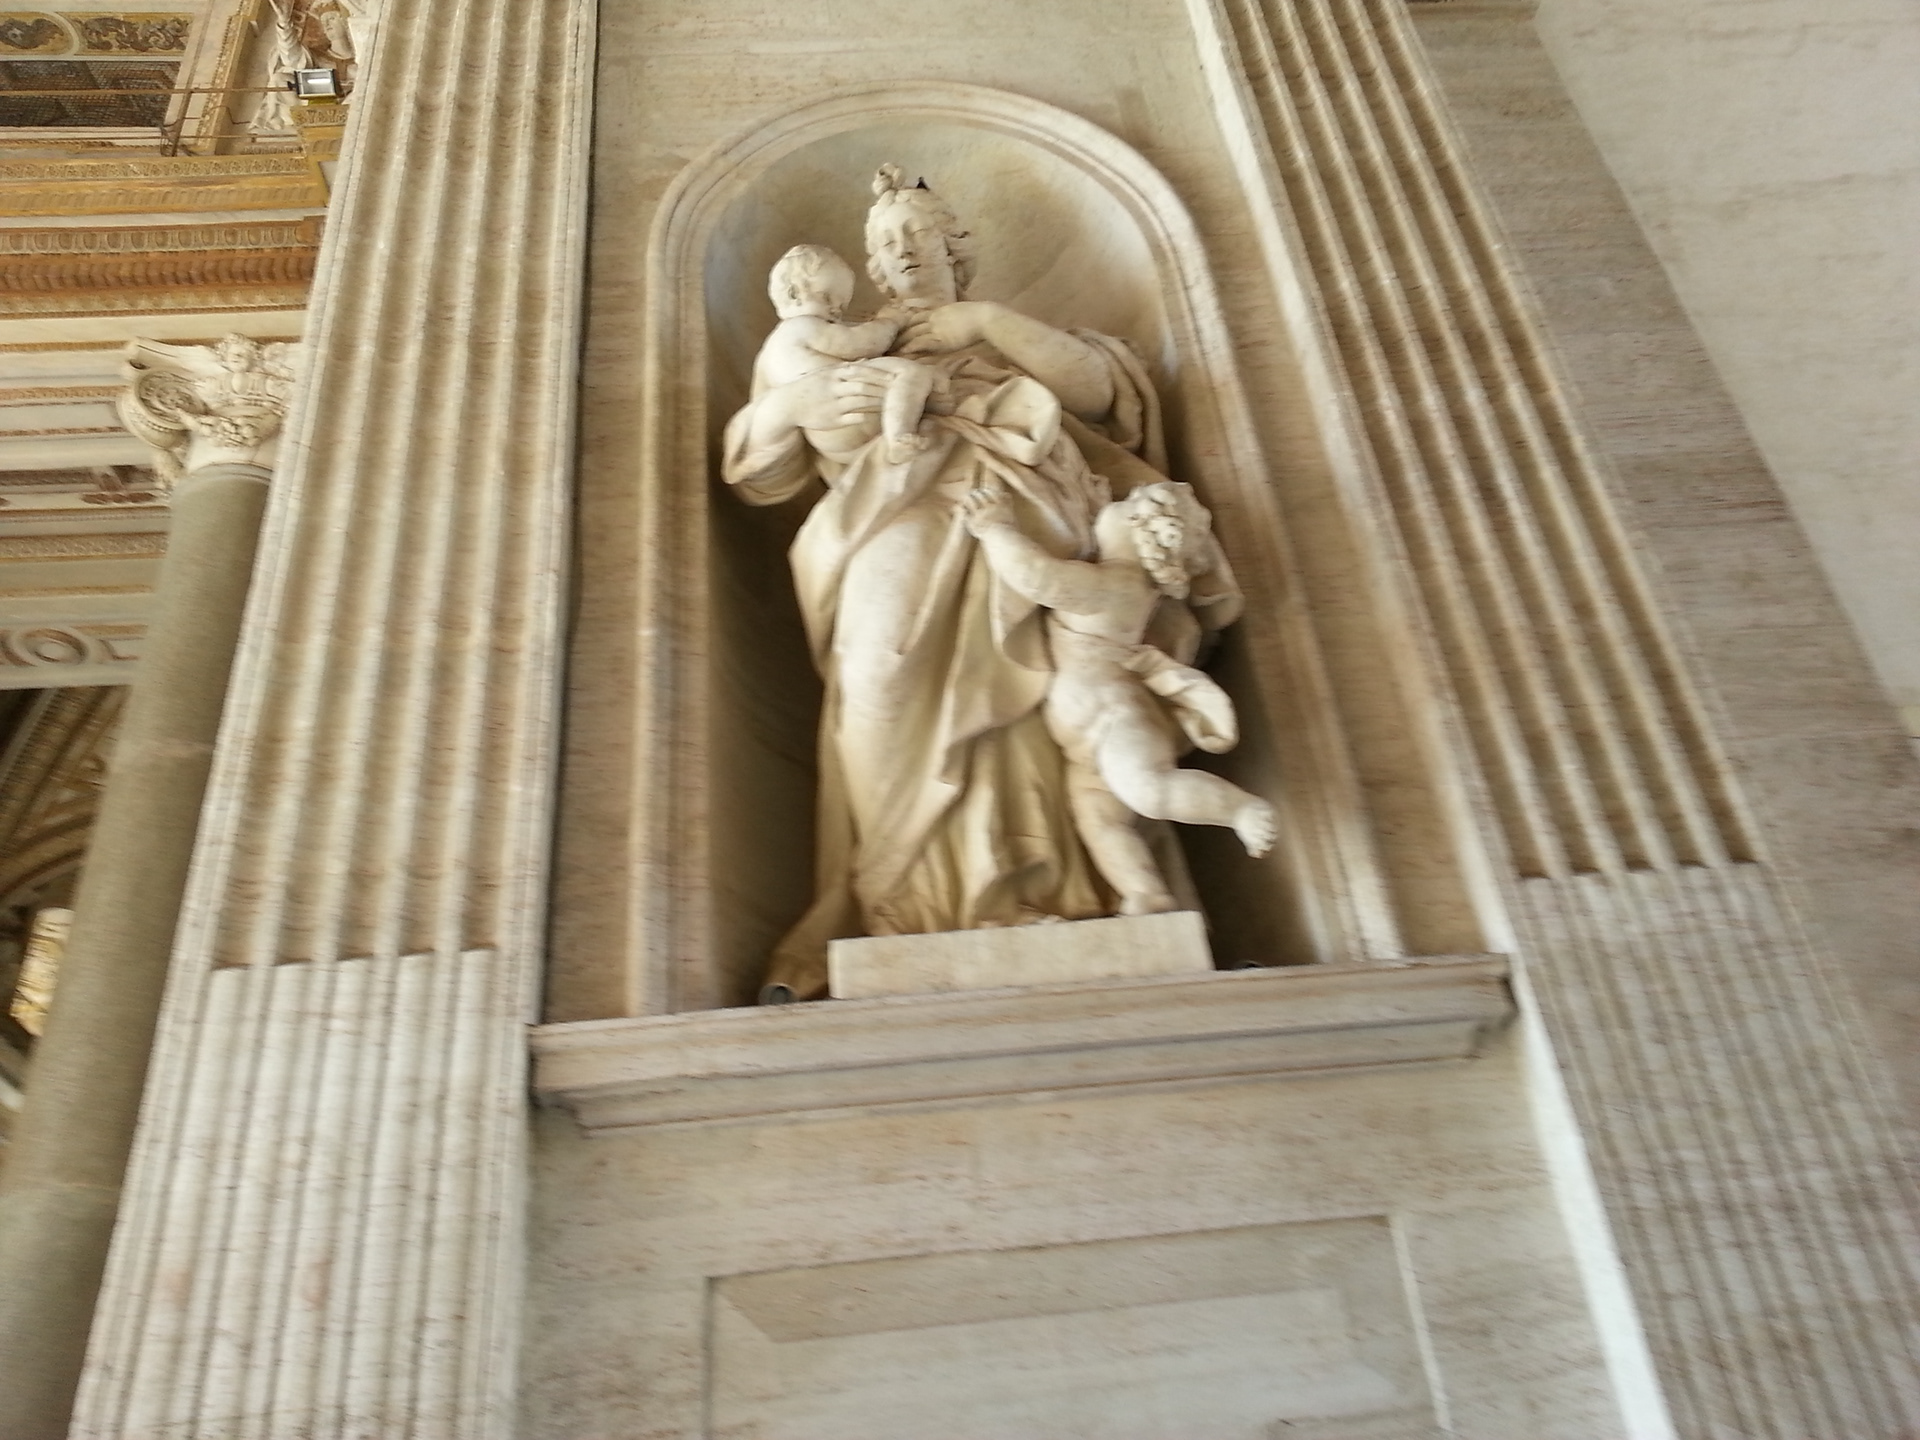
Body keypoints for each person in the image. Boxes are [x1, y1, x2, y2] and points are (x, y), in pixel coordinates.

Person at [723, 165, 1242, 1000]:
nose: (902, 253)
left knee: (1047, 692)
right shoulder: (829, 342)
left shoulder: (997, 330)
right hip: (888, 515)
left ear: (954, 252)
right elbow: (756, 466)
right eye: (886, 246)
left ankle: (1053, 891)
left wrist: (987, 322)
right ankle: (904, 905)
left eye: (918, 237)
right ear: (871, 270)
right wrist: (809, 399)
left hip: (1032, 506)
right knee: (880, 671)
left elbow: (1102, 391)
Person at [961, 478, 1275, 916]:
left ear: (1144, 534)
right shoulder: (1121, 582)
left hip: (1117, 721)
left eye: (1129, 505)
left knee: (1149, 791)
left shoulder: (1114, 585)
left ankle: (1238, 810)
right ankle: (1146, 893)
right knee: (1101, 822)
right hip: (1089, 738)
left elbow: (1038, 577)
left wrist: (995, 527)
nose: (1115, 505)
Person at [753, 243, 945, 465]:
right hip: (849, 411)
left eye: (841, 306)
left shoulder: (768, 352)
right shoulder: (804, 326)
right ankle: (899, 437)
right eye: (827, 298)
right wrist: (890, 322)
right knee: (910, 372)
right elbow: (862, 345)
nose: (836, 311)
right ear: (793, 293)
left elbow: (757, 404)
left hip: (827, 441)